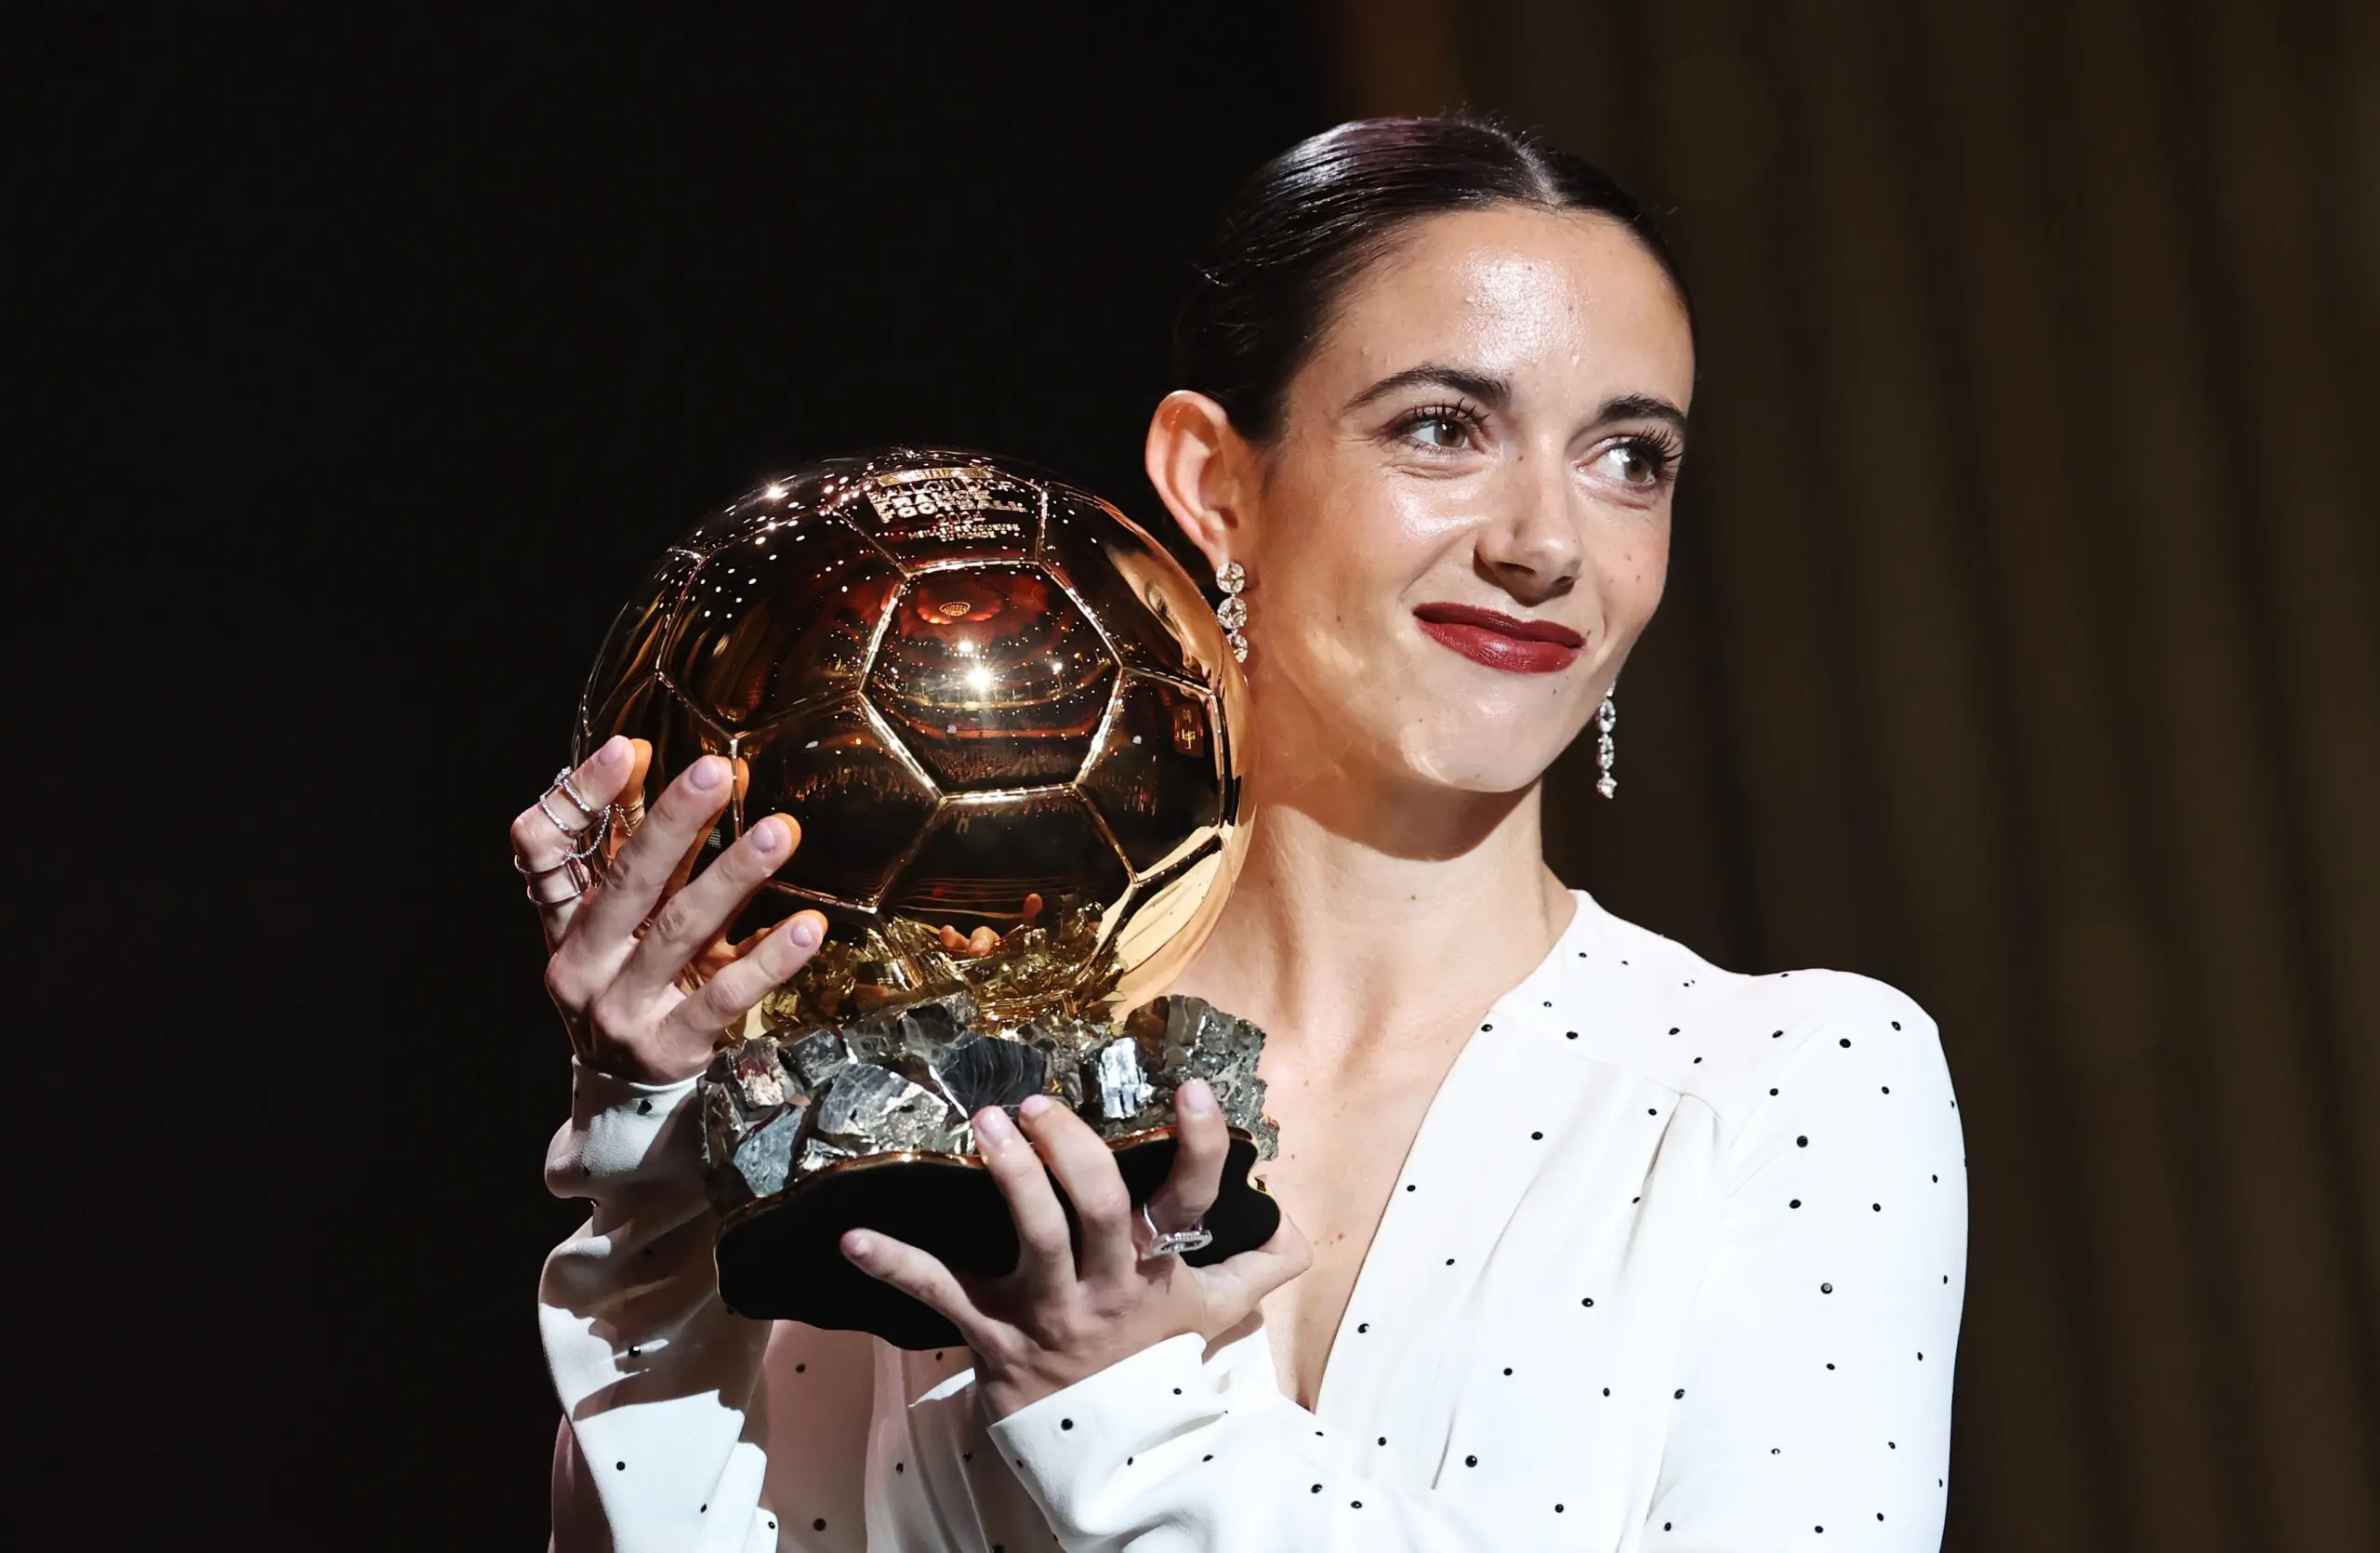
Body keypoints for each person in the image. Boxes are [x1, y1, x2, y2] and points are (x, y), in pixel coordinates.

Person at [513, 116, 1967, 1552]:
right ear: (1216, 482)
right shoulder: (956, 1065)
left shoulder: (1793, 1083)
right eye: (1442, 429)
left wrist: (1129, 1414)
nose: (1546, 542)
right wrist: (654, 1171)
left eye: (1629, 457)